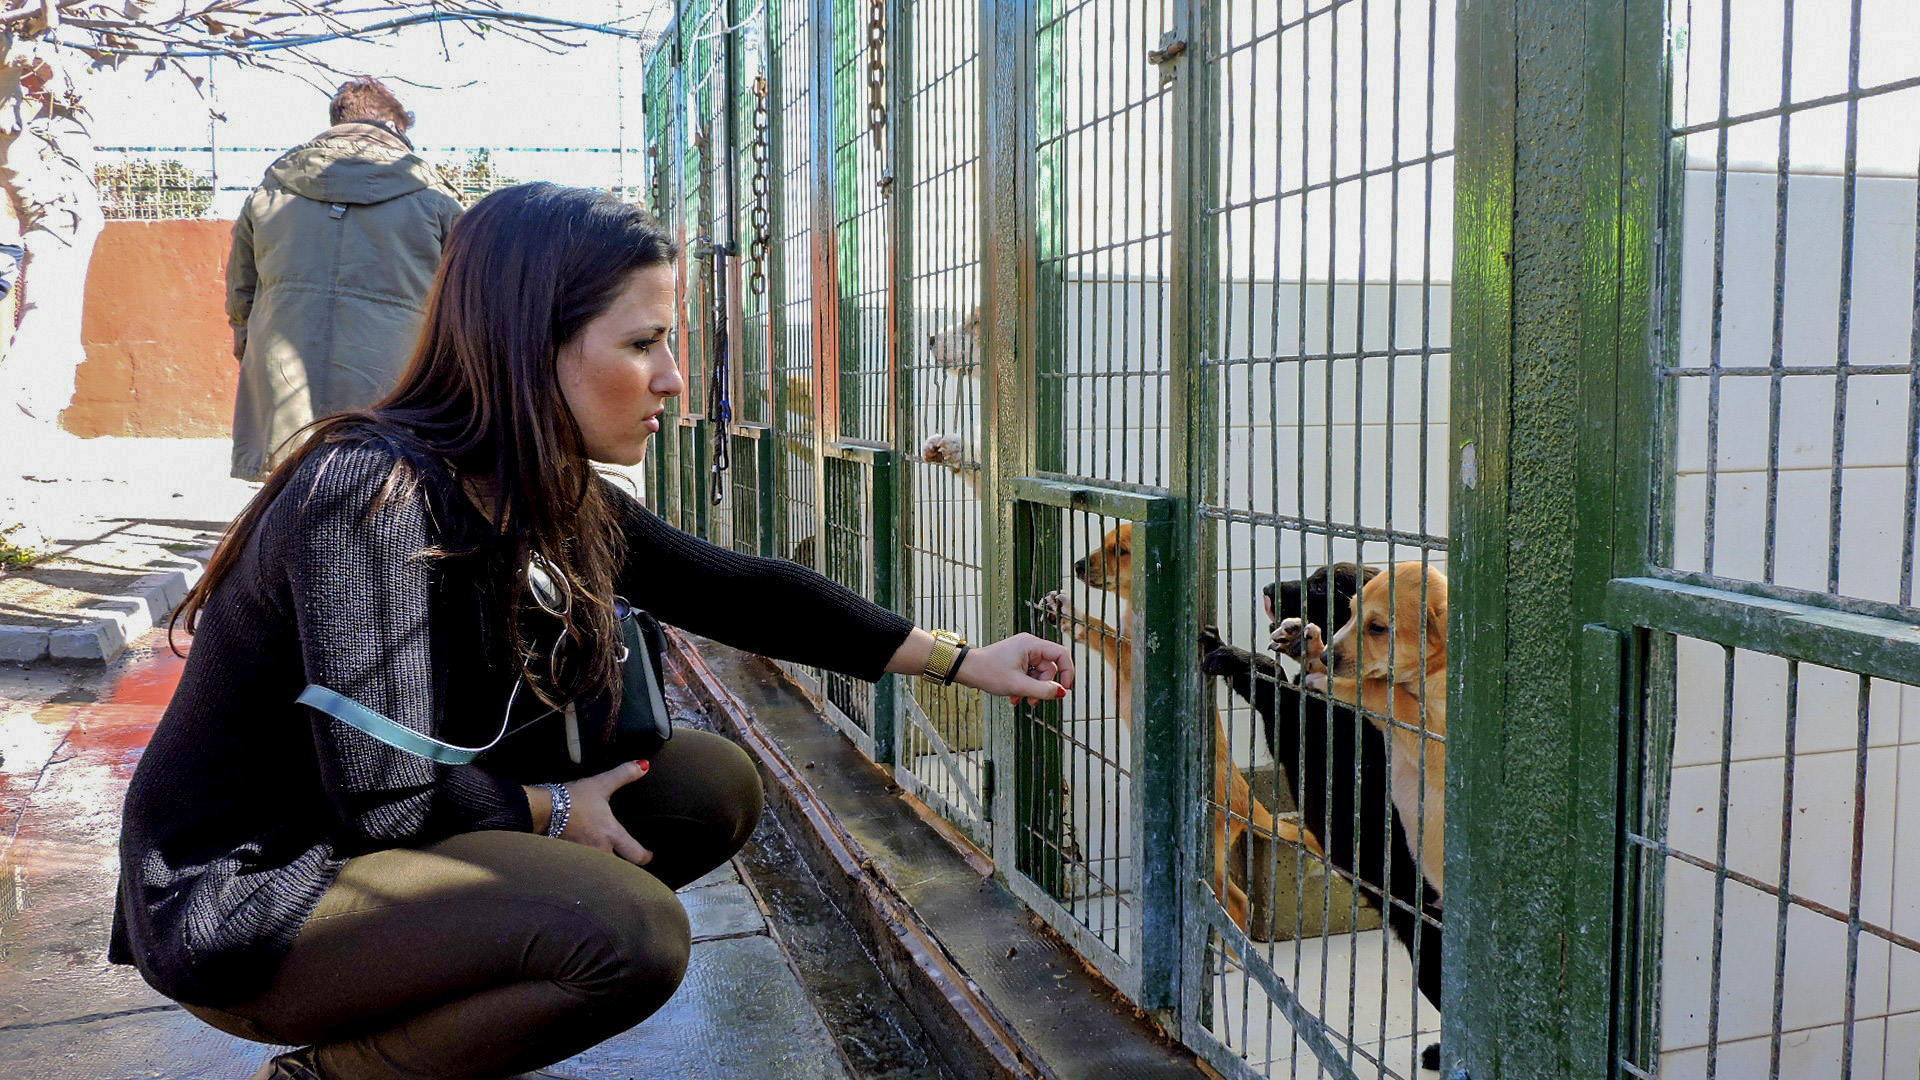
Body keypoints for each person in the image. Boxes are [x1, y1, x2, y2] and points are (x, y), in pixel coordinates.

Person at [112, 182, 1074, 1080]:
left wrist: (960, 661)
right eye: (643, 344)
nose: (672, 378)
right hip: (255, 895)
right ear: (534, 345)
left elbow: (740, 591)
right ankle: (327, 1073)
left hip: (368, 847)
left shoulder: (543, 486)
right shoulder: (372, 496)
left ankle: (426, 1017)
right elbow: (386, 802)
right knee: (625, 936)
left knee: (706, 785)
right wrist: (552, 812)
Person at [226, 76, 464, 482]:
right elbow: (466, 298)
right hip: (394, 372)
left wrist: (250, 348)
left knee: (290, 486)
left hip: (282, 368)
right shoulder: (437, 200)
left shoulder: (269, 192)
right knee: (382, 486)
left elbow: (241, 292)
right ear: (394, 127)